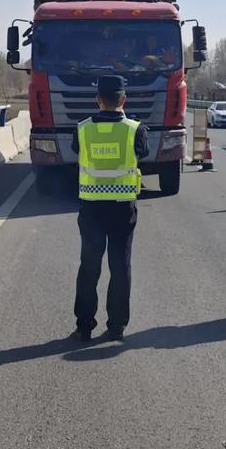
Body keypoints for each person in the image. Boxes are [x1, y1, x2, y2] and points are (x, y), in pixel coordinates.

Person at [70, 74, 150, 340]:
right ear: (123, 99)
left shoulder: (82, 130)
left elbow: (76, 151)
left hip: (91, 208)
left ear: (97, 100)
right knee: (120, 266)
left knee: (89, 266)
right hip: (122, 208)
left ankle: (84, 325)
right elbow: (143, 153)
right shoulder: (136, 130)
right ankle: (116, 326)